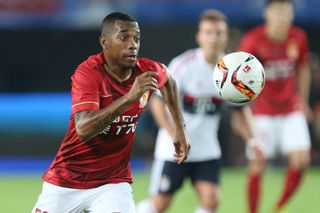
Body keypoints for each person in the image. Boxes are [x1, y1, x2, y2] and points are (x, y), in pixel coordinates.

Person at [32, 12, 190, 213]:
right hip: (68, 179)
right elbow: (84, 128)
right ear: (105, 42)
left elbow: (169, 80)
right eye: (124, 37)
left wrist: (180, 128)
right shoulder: (88, 73)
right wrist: (129, 98)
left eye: (136, 38)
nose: (133, 44)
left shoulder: (147, 71)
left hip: (112, 183)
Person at [136, 9, 260, 213]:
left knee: (211, 200)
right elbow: (157, 102)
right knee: (160, 204)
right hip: (172, 149)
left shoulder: (232, 72)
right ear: (199, 37)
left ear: (226, 37)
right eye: (208, 32)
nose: (214, 38)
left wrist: (253, 141)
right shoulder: (183, 66)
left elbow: (240, 112)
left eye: (219, 32)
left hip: (206, 148)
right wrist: (174, 134)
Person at [238, 0, 312, 212]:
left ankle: (279, 206)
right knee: (258, 163)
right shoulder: (253, 40)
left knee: (302, 160)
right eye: (277, 11)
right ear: (266, 14)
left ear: (292, 15)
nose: (282, 17)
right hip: (262, 112)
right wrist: (243, 110)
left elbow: (303, 68)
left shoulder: (298, 37)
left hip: (291, 109)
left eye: (286, 12)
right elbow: (239, 75)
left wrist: (303, 101)